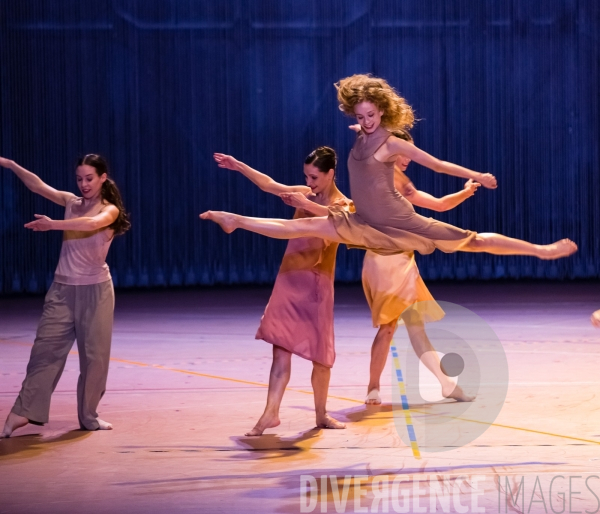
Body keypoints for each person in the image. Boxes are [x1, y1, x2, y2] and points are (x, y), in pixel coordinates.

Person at [200, 73, 576, 262]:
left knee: (472, 240)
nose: (365, 120)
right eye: (359, 115)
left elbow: (437, 164)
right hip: (364, 221)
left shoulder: (392, 141)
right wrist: (360, 130)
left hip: (399, 221)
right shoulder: (361, 135)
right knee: (302, 225)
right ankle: (235, 220)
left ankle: (540, 251)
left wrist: (475, 176)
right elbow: (363, 146)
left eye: (370, 114)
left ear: (383, 111)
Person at [213, 148, 347, 435]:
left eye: (314, 177)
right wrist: (239, 165)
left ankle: (321, 414)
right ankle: (270, 413)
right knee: (280, 348)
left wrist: (304, 203)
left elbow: (336, 218)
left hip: (316, 286)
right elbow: (269, 184)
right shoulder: (305, 194)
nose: (309, 182)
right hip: (289, 279)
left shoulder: (343, 204)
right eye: (306, 176)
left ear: (330, 174)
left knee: (321, 357)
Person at [0, 154, 130, 438]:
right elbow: (38, 187)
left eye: (89, 179)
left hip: (97, 292)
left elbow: (89, 224)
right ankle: (23, 412)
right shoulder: (71, 203)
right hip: (61, 291)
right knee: (44, 352)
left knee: (94, 358)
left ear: (103, 178)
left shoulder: (109, 211)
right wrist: (10, 165)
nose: (83, 184)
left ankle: (89, 416)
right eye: (79, 179)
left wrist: (53, 225)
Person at [356, 127, 478, 404]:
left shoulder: (403, 188)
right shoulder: (378, 181)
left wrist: (465, 192)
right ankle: (373, 387)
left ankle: (446, 384)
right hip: (382, 262)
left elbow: (439, 205)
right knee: (387, 328)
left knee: (416, 327)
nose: (409, 158)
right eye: (405, 152)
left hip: (405, 261)